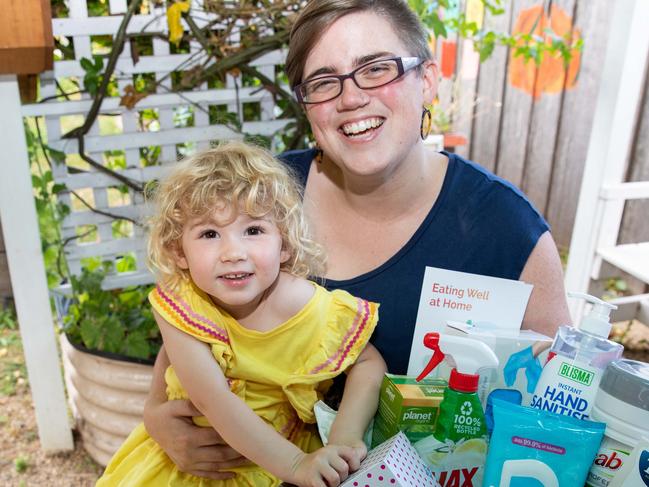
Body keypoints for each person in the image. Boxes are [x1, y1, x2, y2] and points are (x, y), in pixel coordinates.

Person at [142, 0, 572, 479]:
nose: (351, 98)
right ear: (307, 106)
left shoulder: (506, 230)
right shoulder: (265, 195)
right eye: (325, 82)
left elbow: (559, 421)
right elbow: (195, 314)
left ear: (426, 79)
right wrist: (157, 416)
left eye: (376, 68)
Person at [96, 141, 387, 486]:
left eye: (253, 230)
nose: (233, 252)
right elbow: (211, 397)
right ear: (179, 252)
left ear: (285, 244)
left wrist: (344, 436)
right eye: (209, 233)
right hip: (192, 466)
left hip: (275, 461)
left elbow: (369, 363)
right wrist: (296, 465)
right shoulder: (183, 302)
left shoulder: (310, 306)